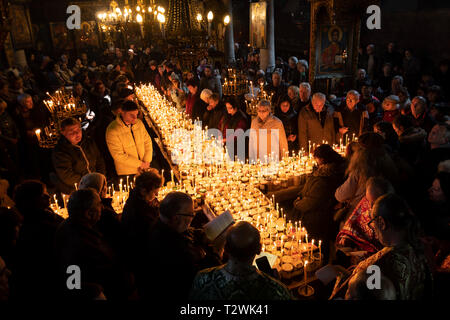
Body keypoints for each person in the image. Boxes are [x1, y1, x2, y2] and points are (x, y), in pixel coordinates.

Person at [330, 194, 431, 300]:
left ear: (382, 223)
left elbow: (343, 295)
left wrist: (340, 278)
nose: (373, 229)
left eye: (372, 223)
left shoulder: (379, 263)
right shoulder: (420, 248)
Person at [138, 192, 221, 300]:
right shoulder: (172, 249)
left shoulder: (161, 224)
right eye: (191, 215)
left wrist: (199, 233)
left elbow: (185, 231)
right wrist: (218, 251)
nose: (193, 218)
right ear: (176, 218)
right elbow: (205, 277)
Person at [54, 189, 134, 300]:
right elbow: (73, 282)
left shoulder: (81, 225)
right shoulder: (74, 241)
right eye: (99, 204)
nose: (102, 208)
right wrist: (95, 290)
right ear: (88, 213)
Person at [190, 221, 291, 300]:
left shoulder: (202, 279)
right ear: (259, 249)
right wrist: (276, 282)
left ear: (225, 248)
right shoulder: (276, 289)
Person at [291, 144, 346, 261]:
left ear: (322, 159)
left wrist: (297, 203)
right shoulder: (323, 173)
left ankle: (319, 262)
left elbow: (312, 201)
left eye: (316, 158)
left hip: (318, 218)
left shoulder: (325, 178)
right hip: (318, 215)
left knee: (318, 245)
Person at [11, 180, 64, 299]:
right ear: (32, 200)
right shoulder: (32, 226)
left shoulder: (46, 213)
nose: (48, 196)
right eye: (42, 195)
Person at [335, 133, 398, 213]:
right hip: (383, 210)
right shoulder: (389, 165)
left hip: (361, 212)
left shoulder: (360, 170)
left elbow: (341, 195)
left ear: (361, 151)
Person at [336, 177, 394, 258]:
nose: (369, 206)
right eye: (367, 200)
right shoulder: (368, 200)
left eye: (373, 202)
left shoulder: (392, 213)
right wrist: (347, 236)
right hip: (361, 249)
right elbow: (354, 221)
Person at [121, 169, 163, 271]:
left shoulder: (138, 199)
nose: (156, 196)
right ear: (144, 191)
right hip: (143, 257)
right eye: (154, 192)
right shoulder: (139, 211)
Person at [51, 117, 105, 195]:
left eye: (78, 130)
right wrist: (89, 183)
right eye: (71, 132)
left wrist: (100, 178)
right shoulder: (60, 151)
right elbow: (67, 175)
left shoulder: (88, 141)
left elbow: (99, 160)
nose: (77, 134)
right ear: (63, 133)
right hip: (76, 190)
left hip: (97, 185)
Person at [106, 100, 153, 178]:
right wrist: (140, 164)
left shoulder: (139, 124)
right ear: (122, 113)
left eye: (136, 114)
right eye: (131, 115)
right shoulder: (113, 130)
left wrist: (147, 161)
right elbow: (118, 155)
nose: (135, 118)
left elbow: (147, 142)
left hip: (144, 168)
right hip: (127, 173)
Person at [78, 172, 122, 252]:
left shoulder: (79, 209)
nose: (106, 188)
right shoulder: (102, 211)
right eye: (104, 186)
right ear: (100, 190)